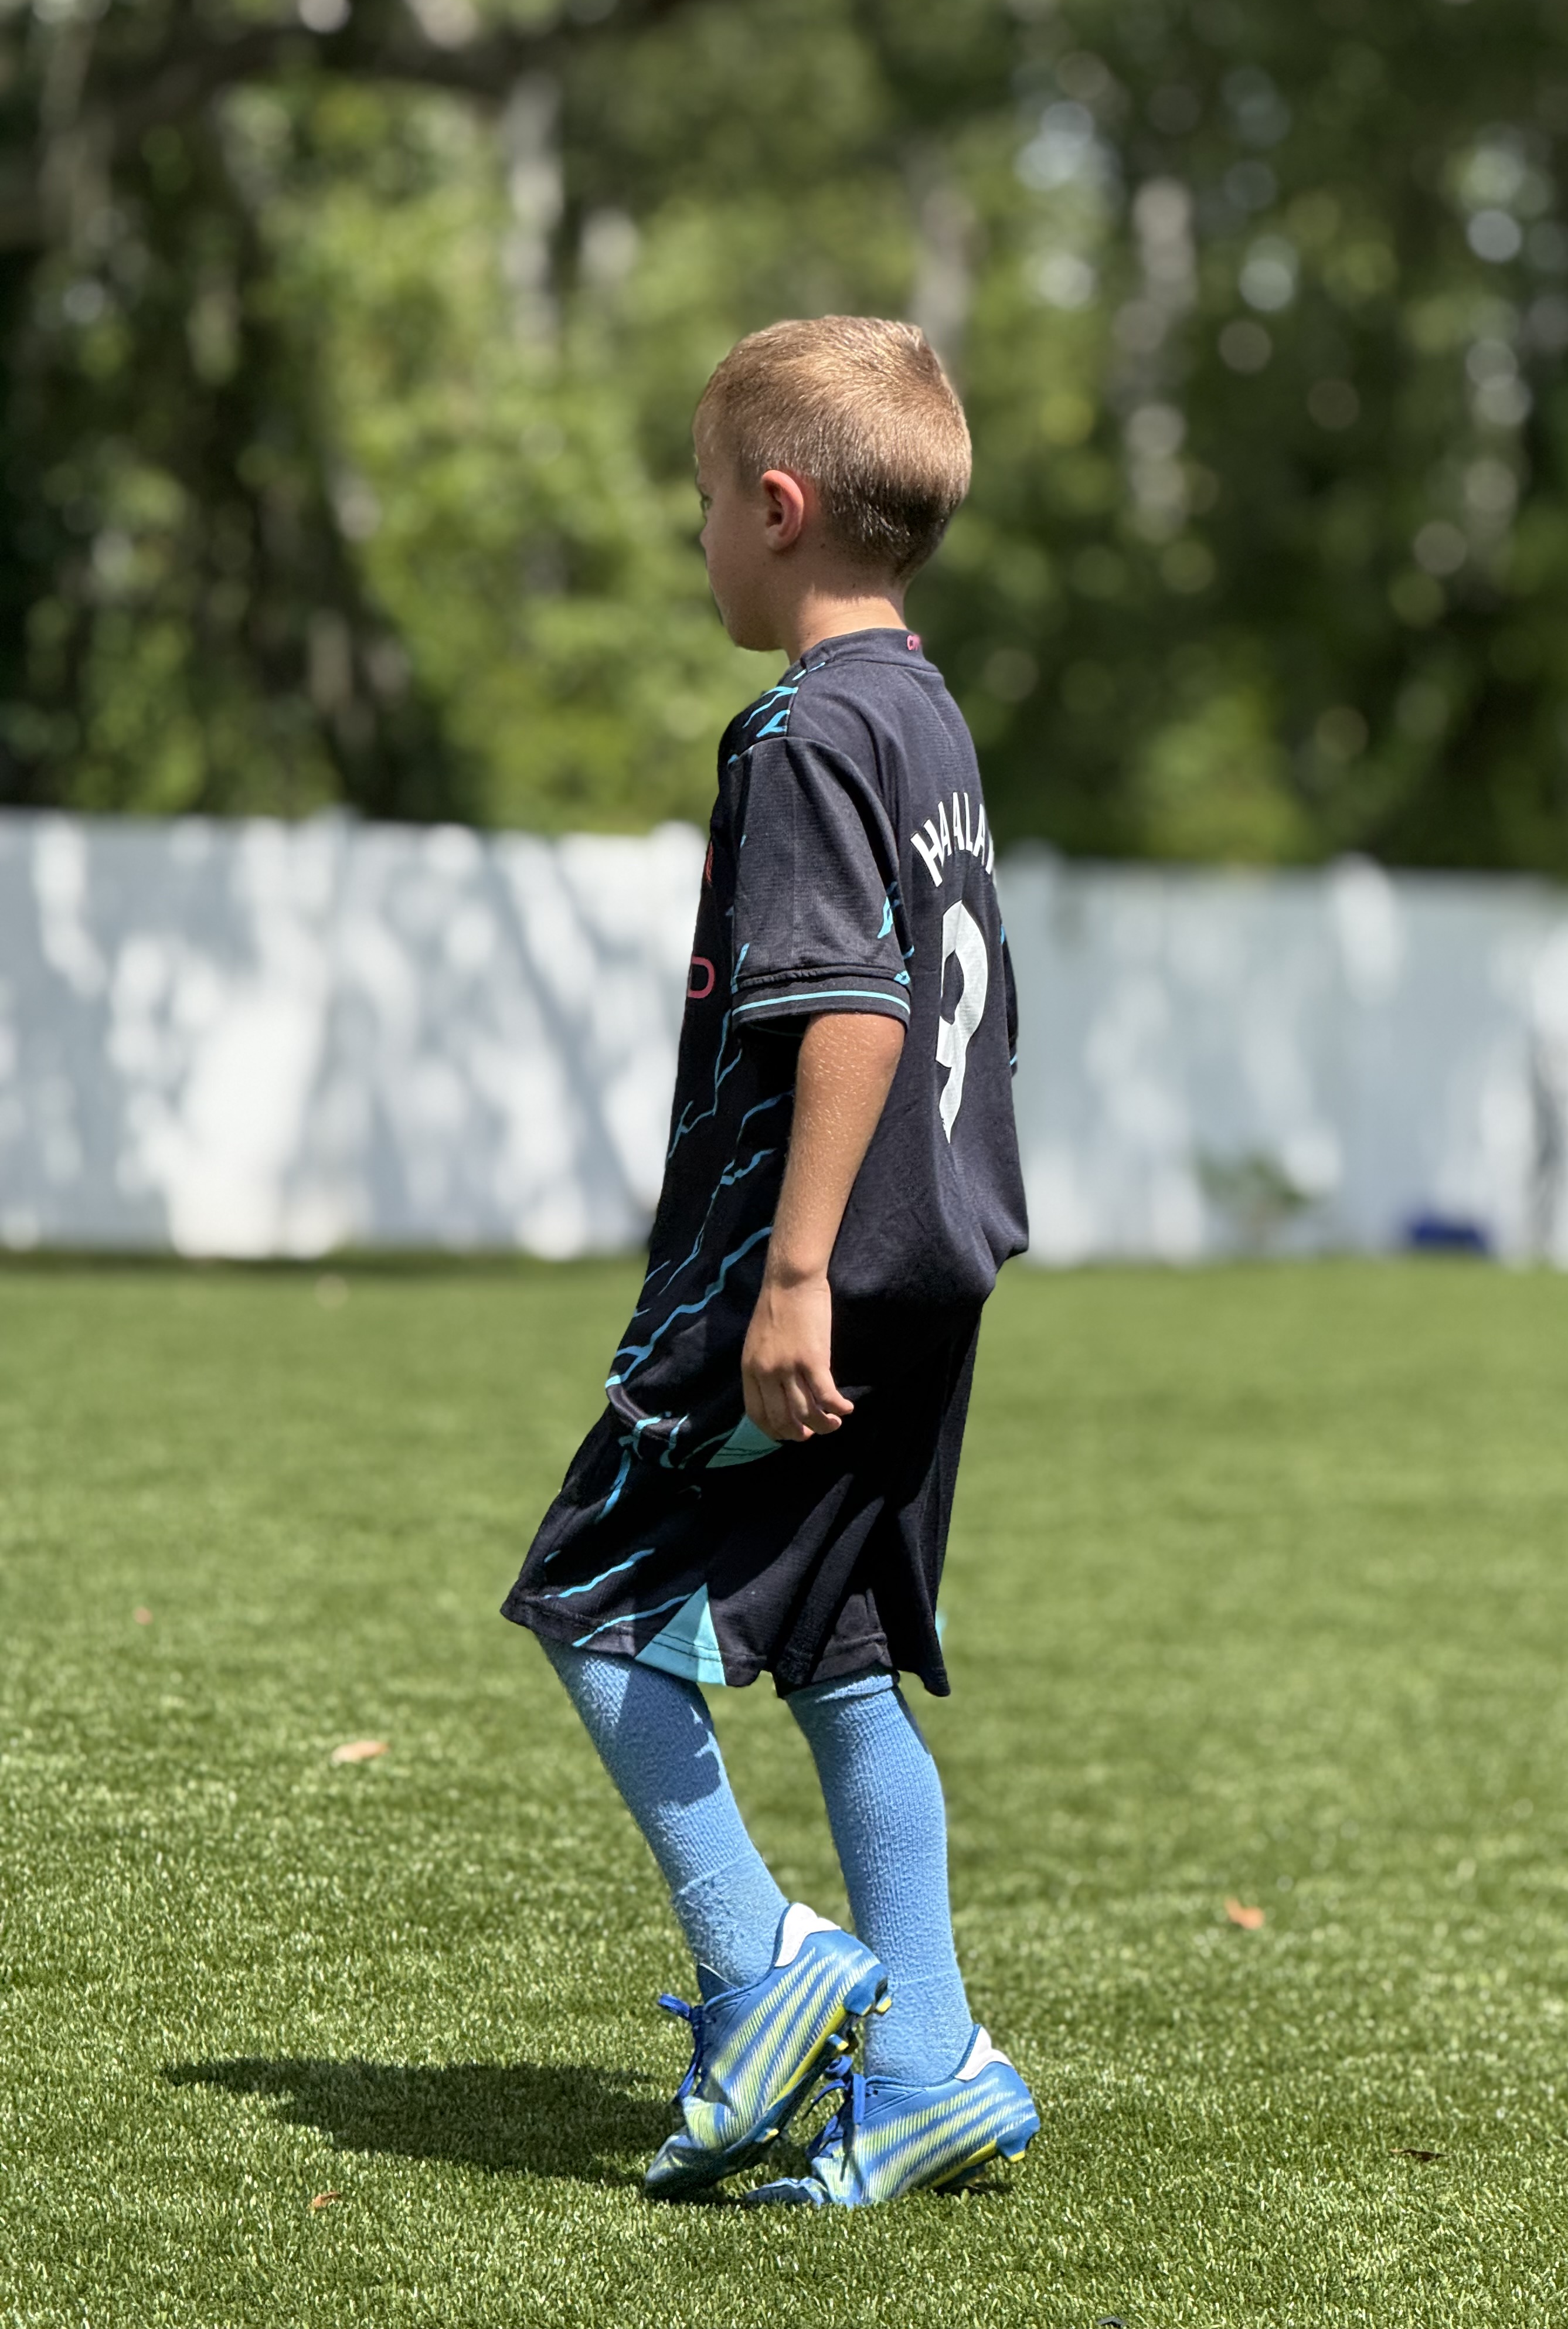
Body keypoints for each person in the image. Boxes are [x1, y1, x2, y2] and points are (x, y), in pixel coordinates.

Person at [502, 316, 1036, 2208]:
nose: (700, 541)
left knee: (587, 1594)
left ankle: (765, 1970)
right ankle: (927, 2062)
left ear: (784, 509)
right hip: (944, 1254)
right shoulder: (929, 709)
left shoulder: (807, 731)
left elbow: (857, 1009)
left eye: (708, 506)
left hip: (801, 1267)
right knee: (839, 1651)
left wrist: (788, 1271)